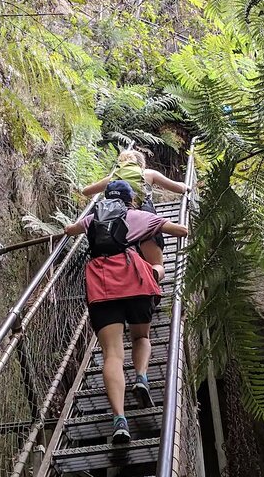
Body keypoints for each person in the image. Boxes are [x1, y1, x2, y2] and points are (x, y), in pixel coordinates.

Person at [64, 180, 188, 443]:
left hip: (102, 285)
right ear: (130, 199)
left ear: (106, 198)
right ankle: (142, 376)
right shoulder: (139, 216)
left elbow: (68, 230)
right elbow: (181, 231)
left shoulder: (92, 219)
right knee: (141, 338)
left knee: (112, 354)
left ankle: (119, 419)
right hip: (135, 282)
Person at [81, 149, 189, 282]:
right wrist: (185, 187)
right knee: (156, 265)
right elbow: (178, 188)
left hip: (115, 226)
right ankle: (153, 278)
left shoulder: (113, 178)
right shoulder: (148, 173)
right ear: (140, 163)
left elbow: (86, 191)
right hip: (144, 220)